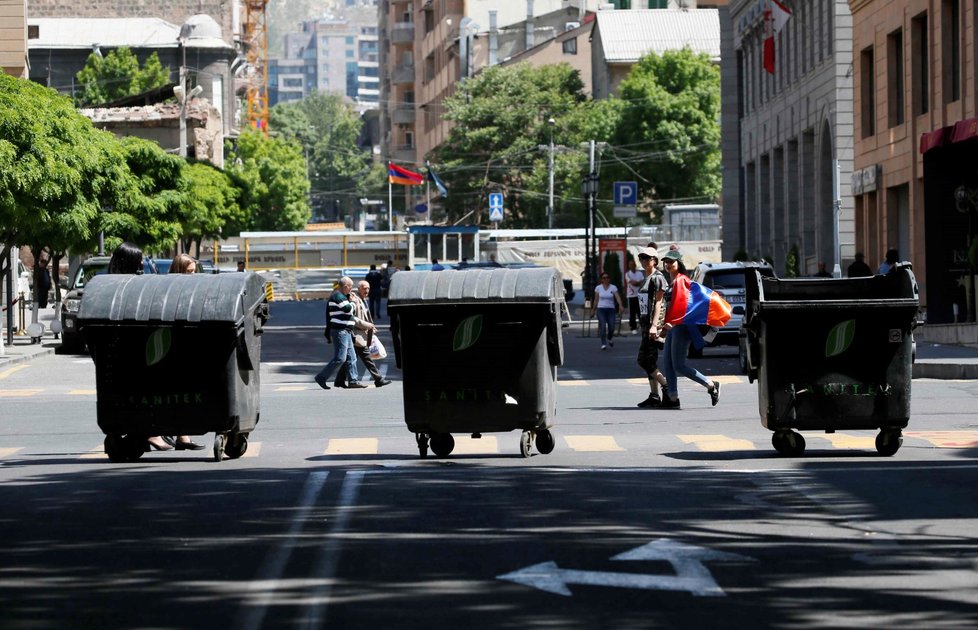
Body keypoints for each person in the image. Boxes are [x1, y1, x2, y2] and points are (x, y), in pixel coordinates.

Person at [107, 243, 174, 452]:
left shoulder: (107, 283)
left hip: (114, 349)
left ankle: (144, 431)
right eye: (138, 260)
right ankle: (151, 433)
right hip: (133, 346)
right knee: (144, 390)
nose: (142, 263)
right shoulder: (129, 284)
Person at [658, 249, 721, 410]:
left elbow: (681, 306)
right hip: (673, 326)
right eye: (666, 261)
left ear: (679, 263)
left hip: (681, 327)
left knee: (678, 365)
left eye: (671, 261)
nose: (668, 264)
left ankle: (711, 385)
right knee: (668, 363)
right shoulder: (673, 281)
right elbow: (670, 306)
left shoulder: (681, 280)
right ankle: (672, 397)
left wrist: (669, 325)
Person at [163, 253, 205, 450]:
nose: (192, 275)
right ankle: (179, 435)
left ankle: (183, 436)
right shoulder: (170, 288)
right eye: (189, 272)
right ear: (179, 270)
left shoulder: (192, 288)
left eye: (194, 271)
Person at [335, 280, 392, 388]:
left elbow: (365, 315)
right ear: (359, 289)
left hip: (362, 334)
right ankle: (378, 379)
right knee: (366, 358)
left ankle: (339, 379)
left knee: (351, 358)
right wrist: (366, 325)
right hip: (356, 334)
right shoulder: (355, 300)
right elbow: (352, 318)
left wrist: (371, 326)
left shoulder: (363, 300)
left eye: (368, 288)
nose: (367, 290)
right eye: (364, 288)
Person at [314, 276, 366, 390]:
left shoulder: (342, 296)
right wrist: (353, 302)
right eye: (351, 287)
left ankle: (353, 381)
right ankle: (321, 377)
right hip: (340, 331)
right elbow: (347, 309)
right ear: (346, 286)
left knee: (351, 358)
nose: (351, 290)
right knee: (340, 358)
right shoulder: (338, 296)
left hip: (346, 331)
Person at [635, 247, 669, 408]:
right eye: (642, 258)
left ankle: (666, 386)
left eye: (648, 258)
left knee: (643, 360)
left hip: (652, 325)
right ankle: (654, 395)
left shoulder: (658, 278)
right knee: (650, 359)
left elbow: (658, 303)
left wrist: (654, 325)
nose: (644, 261)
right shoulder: (647, 278)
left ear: (655, 260)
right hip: (646, 325)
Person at [591, 272, 623, 350]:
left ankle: (609, 338)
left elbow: (617, 297)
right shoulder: (598, 288)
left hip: (611, 309)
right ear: (601, 279)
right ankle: (603, 343)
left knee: (611, 326)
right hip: (601, 309)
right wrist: (593, 310)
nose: (606, 279)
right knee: (602, 325)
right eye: (604, 278)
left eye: (607, 278)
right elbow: (596, 300)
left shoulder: (613, 287)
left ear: (609, 279)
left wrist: (620, 305)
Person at [624, 258, 644, 335]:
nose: (632, 266)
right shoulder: (628, 274)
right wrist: (637, 283)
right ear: (629, 266)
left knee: (640, 312)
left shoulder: (639, 273)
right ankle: (633, 327)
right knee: (632, 313)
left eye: (633, 265)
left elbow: (642, 282)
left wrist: (637, 283)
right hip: (631, 296)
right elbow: (633, 283)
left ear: (635, 265)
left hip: (639, 295)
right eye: (631, 265)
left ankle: (643, 326)